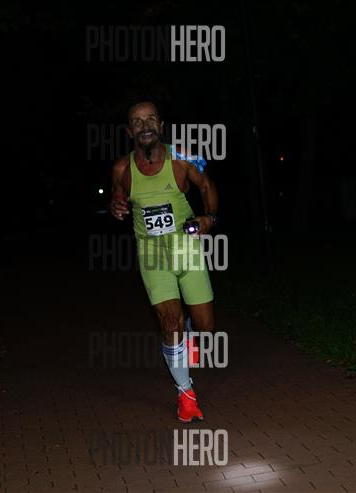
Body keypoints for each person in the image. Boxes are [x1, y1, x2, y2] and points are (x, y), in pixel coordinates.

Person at [109, 98, 219, 422]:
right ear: (130, 131)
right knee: (169, 322)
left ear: (161, 125)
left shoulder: (182, 157)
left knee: (206, 326)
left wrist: (210, 218)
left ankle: (189, 331)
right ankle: (186, 394)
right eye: (137, 121)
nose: (145, 126)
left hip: (187, 249)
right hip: (152, 255)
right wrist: (116, 206)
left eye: (151, 119)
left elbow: (206, 185)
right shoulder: (122, 169)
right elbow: (117, 196)